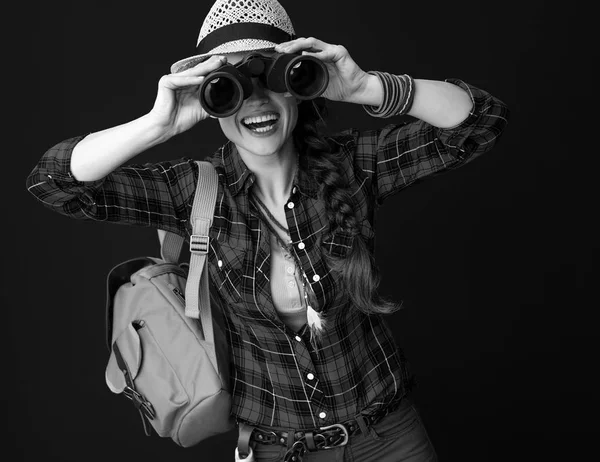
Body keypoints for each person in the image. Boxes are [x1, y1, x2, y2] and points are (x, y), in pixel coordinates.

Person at [26, 0, 509, 460]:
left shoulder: (353, 165)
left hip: (390, 437)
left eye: (271, 75)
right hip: (279, 449)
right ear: (208, 96)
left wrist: (366, 87)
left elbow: (480, 122)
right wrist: (159, 124)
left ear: (301, 83)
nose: (256, 100)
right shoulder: (194, 191)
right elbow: (55, 182)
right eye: (230, 84)